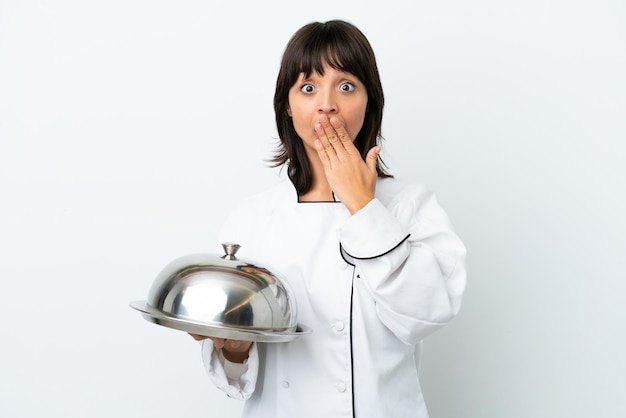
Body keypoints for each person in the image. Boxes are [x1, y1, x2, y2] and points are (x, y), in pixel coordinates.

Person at [190, 19, 467, 417]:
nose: (327, 104)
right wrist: (235, 348)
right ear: (287, 105)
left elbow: (427, 315)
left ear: (370, 100)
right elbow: (237, 375)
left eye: (347, 85)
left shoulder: (410, 204)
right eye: (308, 87)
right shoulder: (251, 220)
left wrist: (363, 206)